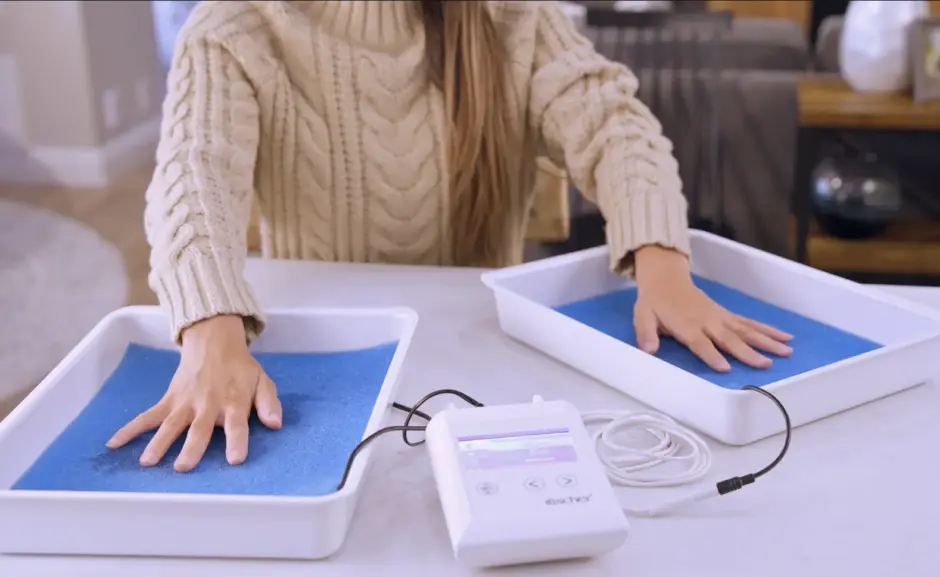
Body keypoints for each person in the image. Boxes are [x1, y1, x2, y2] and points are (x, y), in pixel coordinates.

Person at [108, 0, 793, 472]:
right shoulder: (233, 26)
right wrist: (209, 333)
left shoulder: (512, 17)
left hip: (486, 370)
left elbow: (615, 125)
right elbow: (194, 178)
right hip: (319, 370)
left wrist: (664, 264)